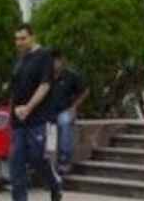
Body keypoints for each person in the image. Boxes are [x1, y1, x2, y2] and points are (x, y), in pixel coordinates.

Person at [9, 23, 62, 201]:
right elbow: (15, 89)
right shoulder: (19, 60)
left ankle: (54, 184)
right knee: (16, 163)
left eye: (23, 38)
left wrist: (28, 107)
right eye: (16, 39)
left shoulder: (44, 56)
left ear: (33, 37)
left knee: (37, 158)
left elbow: (45, 85)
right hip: (17, 121)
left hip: (38, 118)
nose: (19, 42)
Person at [48, 48, 89, 175]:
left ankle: (64, 160)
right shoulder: (45, 76)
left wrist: (74, 107)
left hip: (64, 111)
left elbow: (85, 91)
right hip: (47, 112)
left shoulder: (71, 75)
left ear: (62, 61)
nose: (54, 64)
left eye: (56, 61)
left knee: (65, 122)